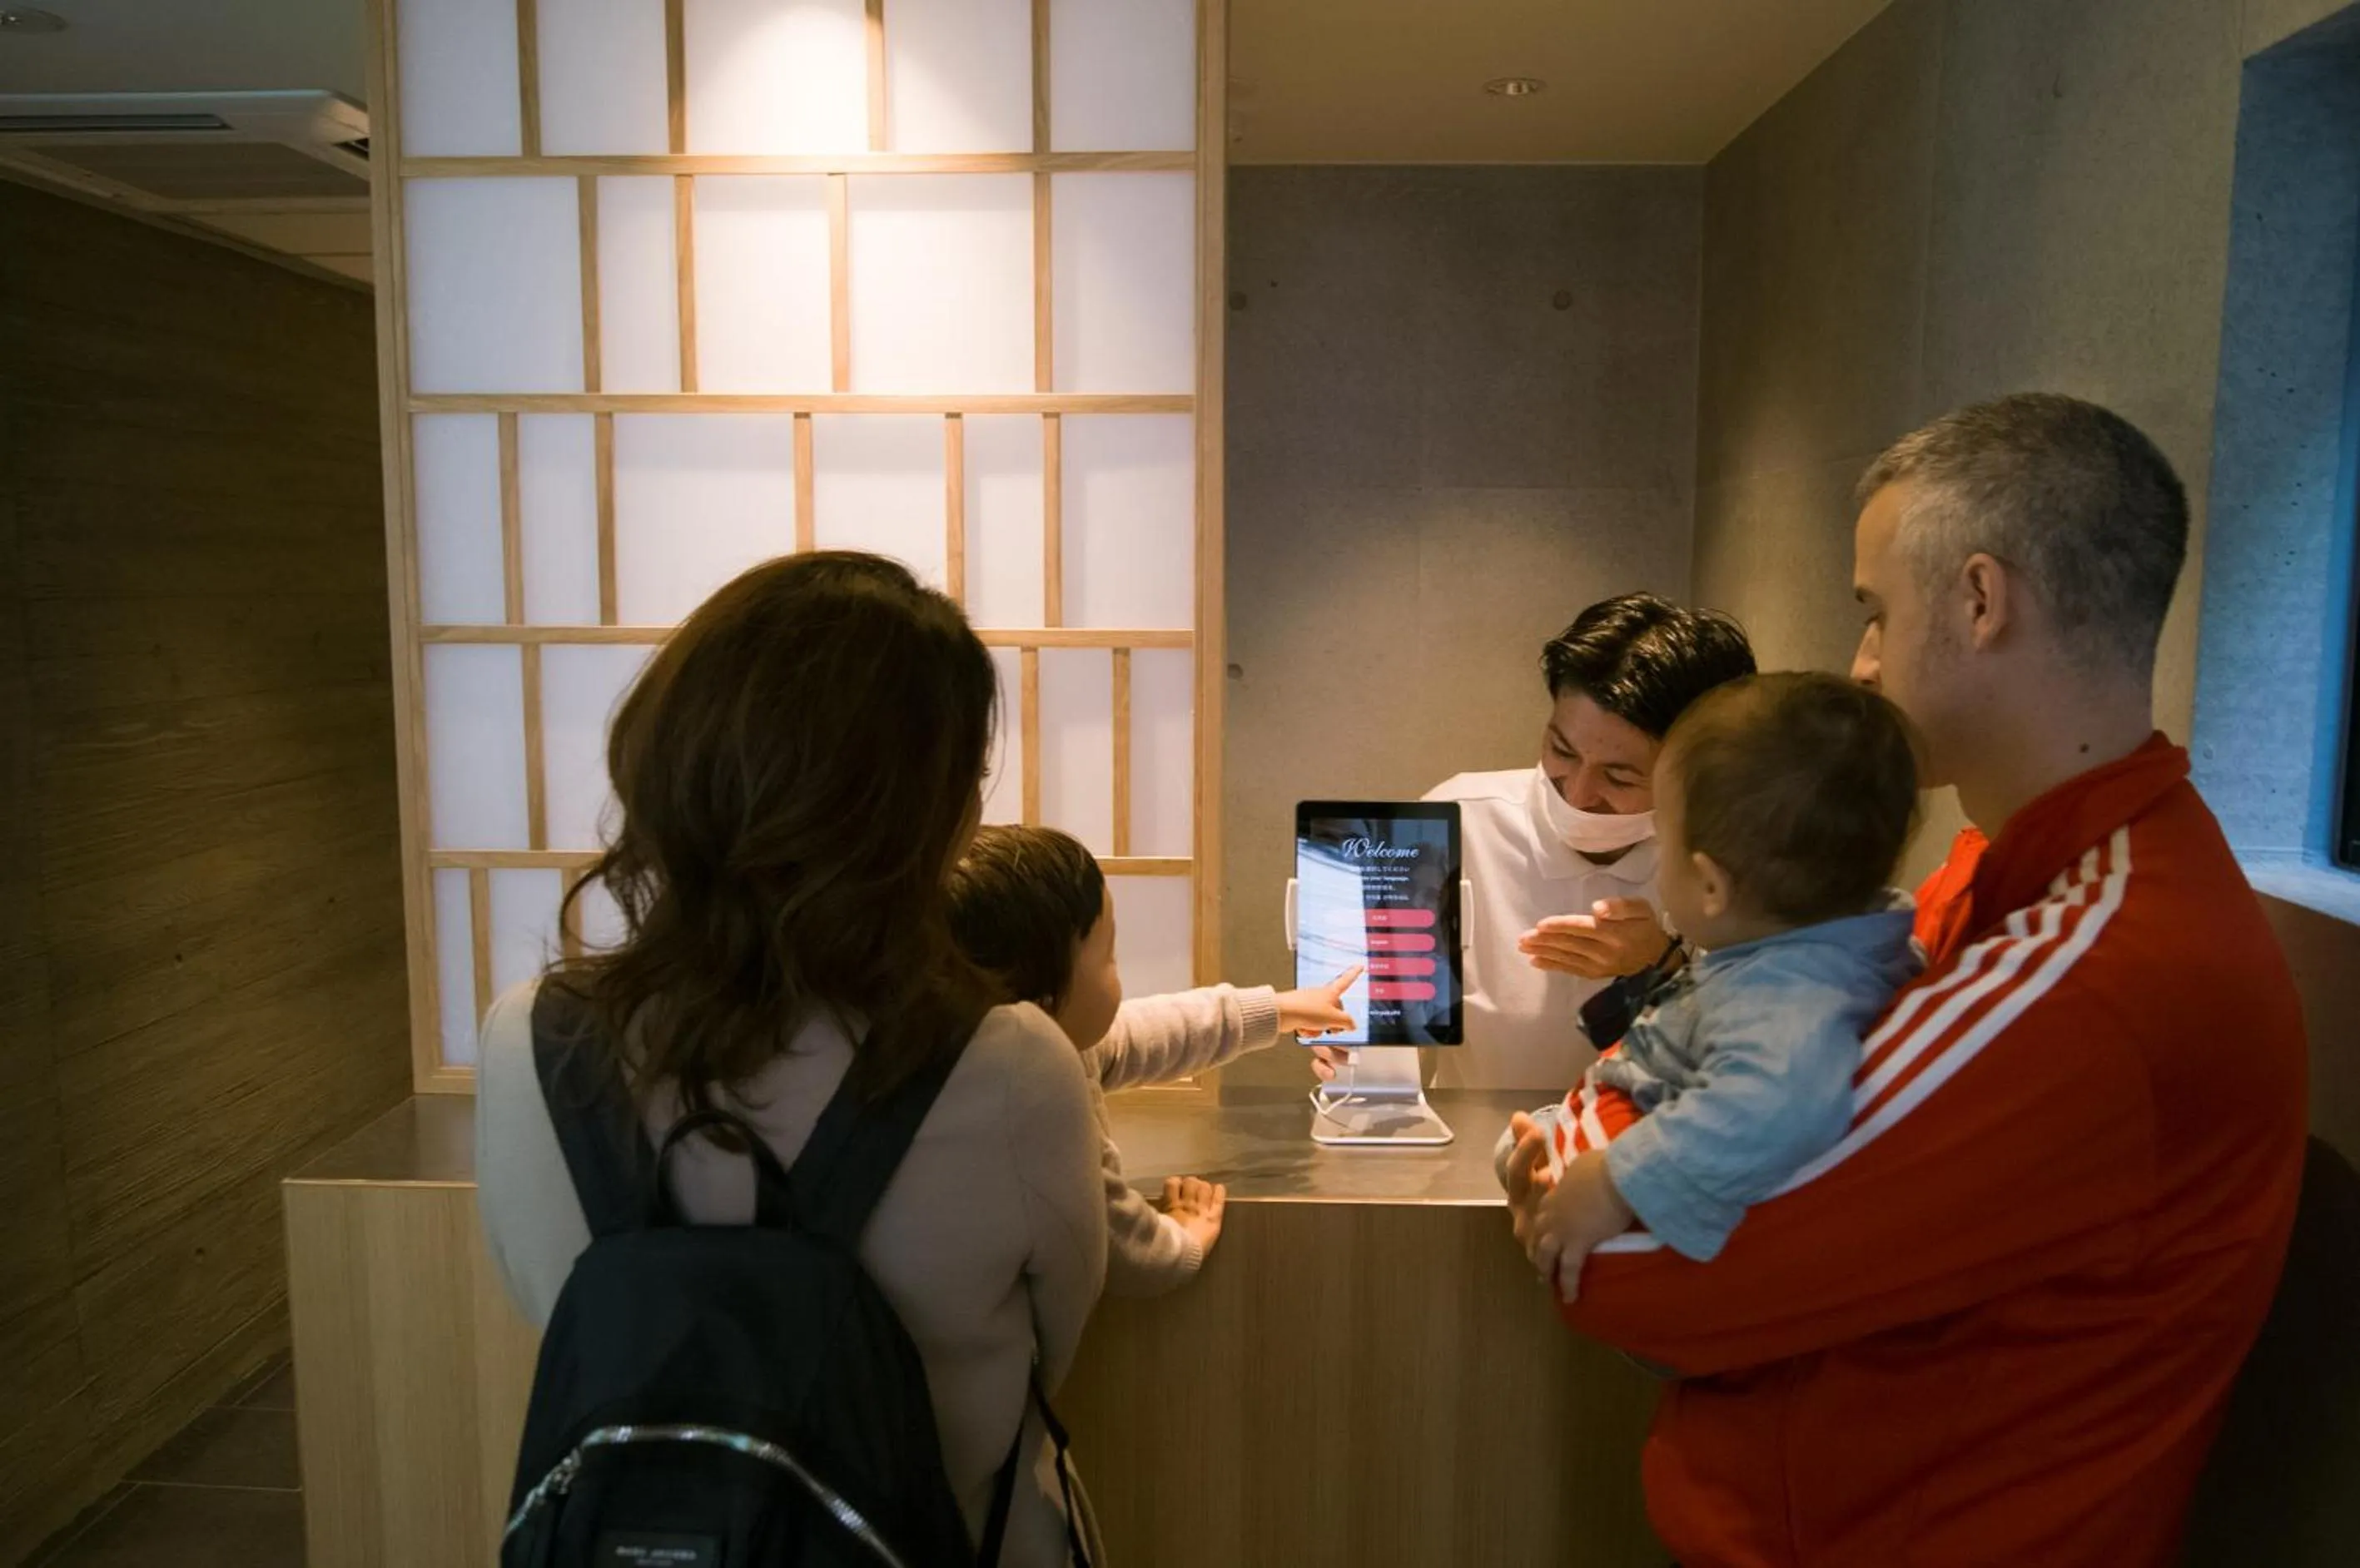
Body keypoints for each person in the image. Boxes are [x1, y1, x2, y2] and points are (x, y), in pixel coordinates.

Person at [1503, 394, 2308, 1566]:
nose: (1859, 662)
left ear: (1979, 602)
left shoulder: (2093, 966)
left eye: (1873, 612)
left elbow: (1628, 1273)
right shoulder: (1988, 874)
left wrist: (1581, 1142)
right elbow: (1701, 1076)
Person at [474, 553, 1105, 1566]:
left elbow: (555, 1310)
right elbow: (1054, 1345)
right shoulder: (1013, 1065)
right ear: (926, 816)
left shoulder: (527, 1045)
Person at [1516, 672, 1923, 1295]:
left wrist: (1612, 1180)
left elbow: (1773, 1103)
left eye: (1667, 840)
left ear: (1708, 884)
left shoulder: (1790, 990)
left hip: (1630, 1230)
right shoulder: (1805, 948)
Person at [1317, 593, 1757, 1092]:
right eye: (1562, 751)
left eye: (1619, 776)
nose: (1578, 793)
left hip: (1645, 1153)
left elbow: (1756, 1047)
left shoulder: (1725, 856)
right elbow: (1377, 1013)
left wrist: (1663, 966)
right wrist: (1356, 1047)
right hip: (1471, 1149)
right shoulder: (1456, 820)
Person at [948, 824, 1363, 1295]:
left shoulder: (1016, 1043)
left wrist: (1277, 1010)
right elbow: (1118, 1246)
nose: (1117, 972)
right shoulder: (1034, 1102)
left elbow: (1148, 1034)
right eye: (1109, 957)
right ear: (1047, 994)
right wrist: (1182, 1237)